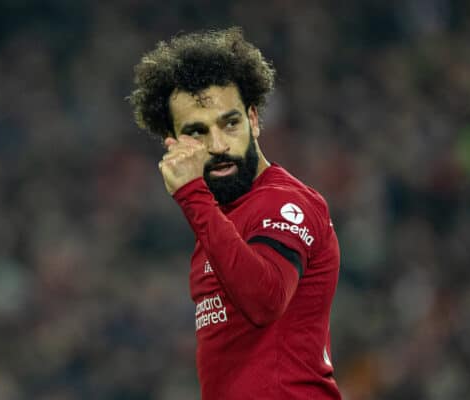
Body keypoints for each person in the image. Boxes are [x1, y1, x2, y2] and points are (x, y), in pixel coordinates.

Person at [129, 27, 341, 400]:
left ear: (254, 119)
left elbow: (265, 300)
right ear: (174, 144)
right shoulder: (217, 221)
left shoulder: (284, 202)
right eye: (197, 132)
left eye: (230, 123)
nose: (218, 144)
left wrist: (193, 197)